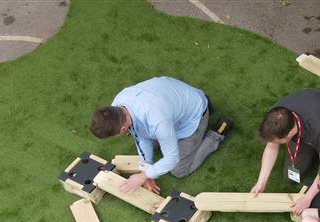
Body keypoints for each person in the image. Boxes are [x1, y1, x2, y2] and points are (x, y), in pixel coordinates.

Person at [89, 76, 231, 193]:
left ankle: (216, 133)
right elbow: (140, 136)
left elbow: (172, 158)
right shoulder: (118, 105)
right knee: (153, 144)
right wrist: (146, 170)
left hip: (193, 114)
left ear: (121, 129)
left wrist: (143, 176)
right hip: (172, 105)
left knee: (179, 170)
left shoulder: (157, 120)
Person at [250, 89, 320, 217]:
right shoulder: (275, 115)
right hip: (310, 126)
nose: (274, 143)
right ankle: (319, 151)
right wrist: (261, 183)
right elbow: (271, 148)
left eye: (278, 141)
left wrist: (307, 198)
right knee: (290, 177)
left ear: (290, 133)